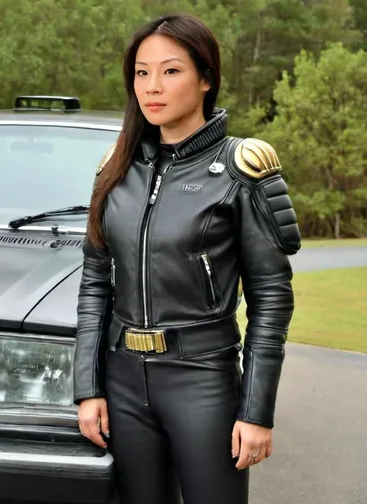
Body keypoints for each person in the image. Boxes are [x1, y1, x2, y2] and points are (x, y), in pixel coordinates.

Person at [73, 13, 301, 504]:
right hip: (123, 381)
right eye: (141, 72)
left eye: (171, 71)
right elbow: (95, 285)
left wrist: (257, 411)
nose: (152, 86)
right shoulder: (114, 171)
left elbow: (272, 300)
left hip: (203, 381)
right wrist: (87, 388)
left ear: (206, 79)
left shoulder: (242, 171)